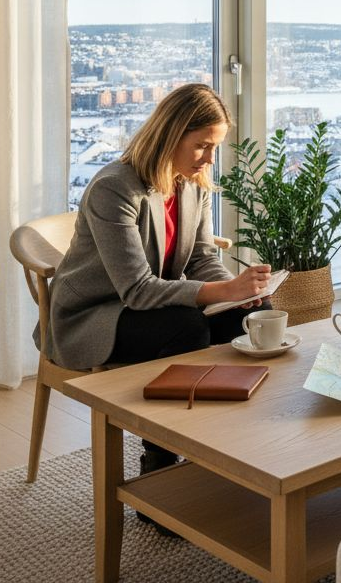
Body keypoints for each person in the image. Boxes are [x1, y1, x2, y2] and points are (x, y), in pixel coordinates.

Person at [43, 83, 274, 497]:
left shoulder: (193, 183)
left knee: (252, 314)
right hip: (96, 315)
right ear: (170, 134)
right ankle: (160, 463)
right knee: (186, 327)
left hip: (153, 304)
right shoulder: (114, 188)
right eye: (202, 145)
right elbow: (136, 289)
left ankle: (226, 441)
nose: (210, 158)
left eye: (215, 147)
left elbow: (201, 257)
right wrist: (221, 291)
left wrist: (238, 293)